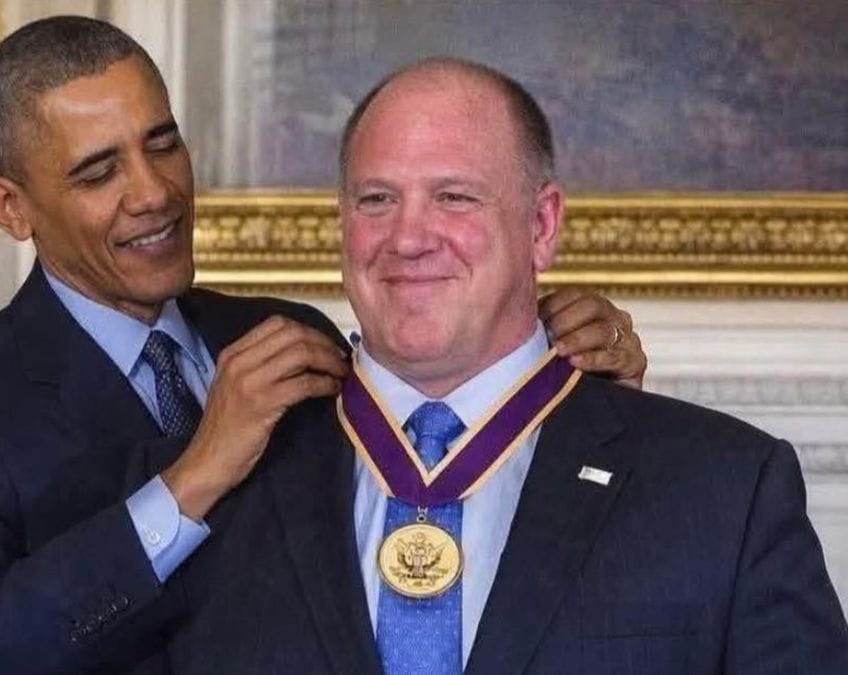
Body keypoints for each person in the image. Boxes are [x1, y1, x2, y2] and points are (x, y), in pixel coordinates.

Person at [0, 18, 648, 675]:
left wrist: (556, 356)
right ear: (10, 206)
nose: (154, 192)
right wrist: (192, 479)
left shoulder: (285, 333)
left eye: (162, 143)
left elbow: (438, 457)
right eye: (99, 171)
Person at [166, 58, 848, 674]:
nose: (408, 237)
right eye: (377, 199)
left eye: (454, 197)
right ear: (341, 222)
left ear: (543, 225)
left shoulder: (725, 489)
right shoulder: (217, 483)